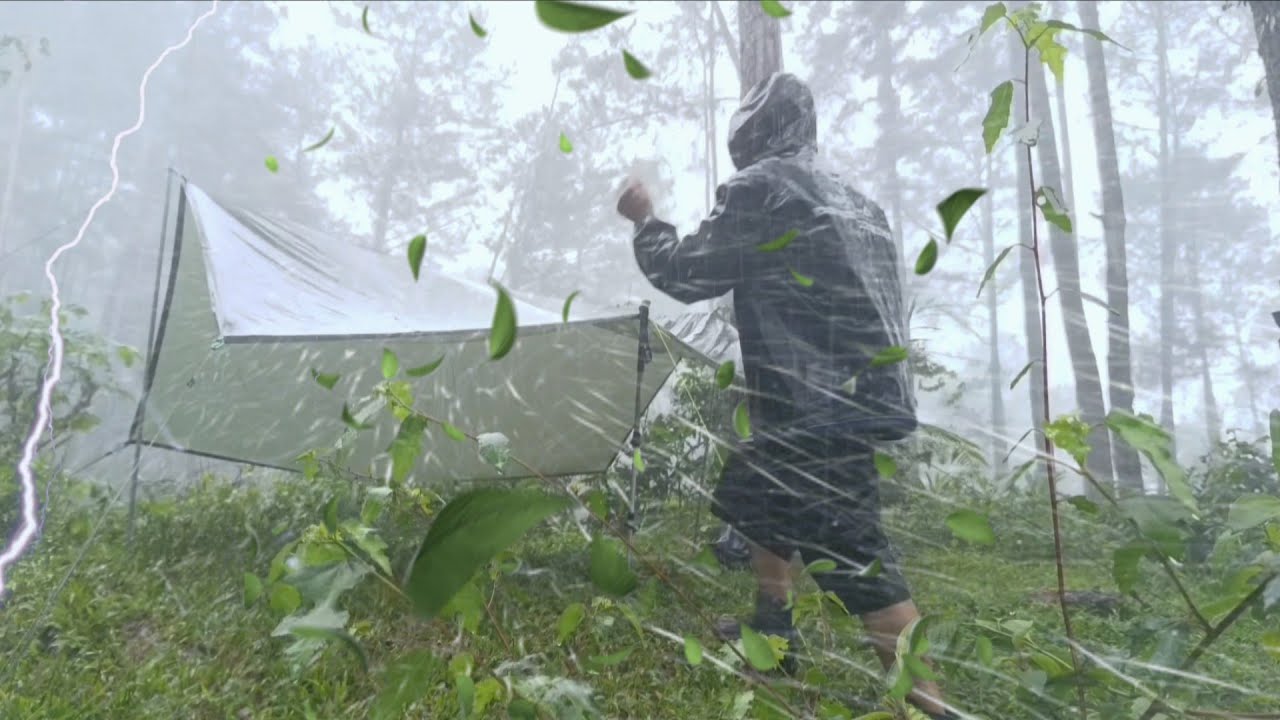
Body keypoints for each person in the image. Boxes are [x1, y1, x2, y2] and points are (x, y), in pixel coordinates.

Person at [616, 72, 956, 720]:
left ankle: (931, 709)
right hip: (844, 404)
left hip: (811, 410)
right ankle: (774, 628)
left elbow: (688, 273)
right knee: (759, 497)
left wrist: (645, 223)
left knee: (859, 559)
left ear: (753, 134)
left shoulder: (762, 188)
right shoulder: (858, 204)